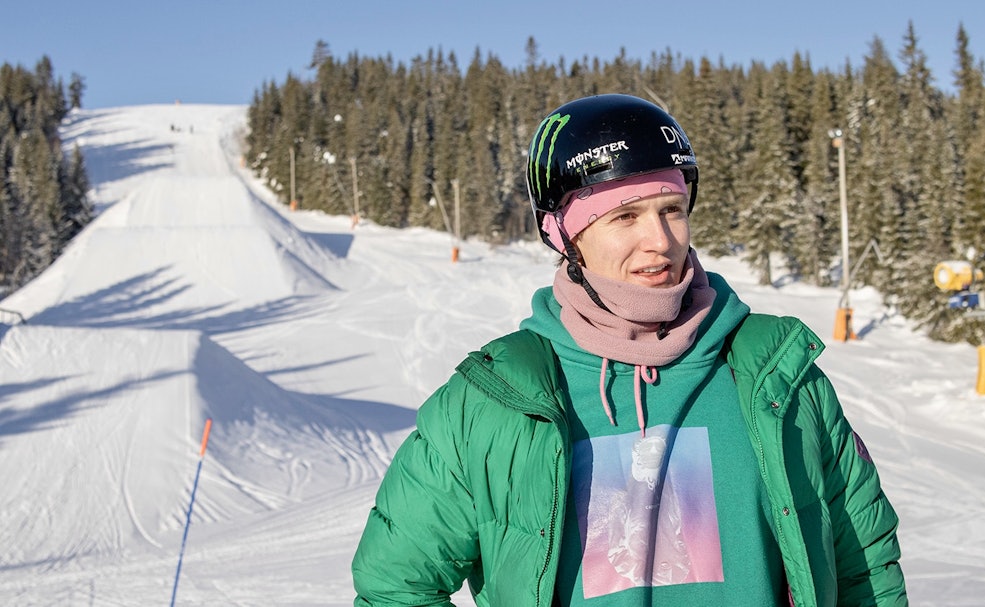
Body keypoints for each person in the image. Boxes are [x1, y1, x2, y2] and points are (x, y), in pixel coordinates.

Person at [352, 93, 907, 606]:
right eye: (623, 217)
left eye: (672, 209)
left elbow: (866, 569)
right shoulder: (493, 401)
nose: (660, 242)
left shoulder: (778, 377)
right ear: (564, 235)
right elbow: (394, 587)